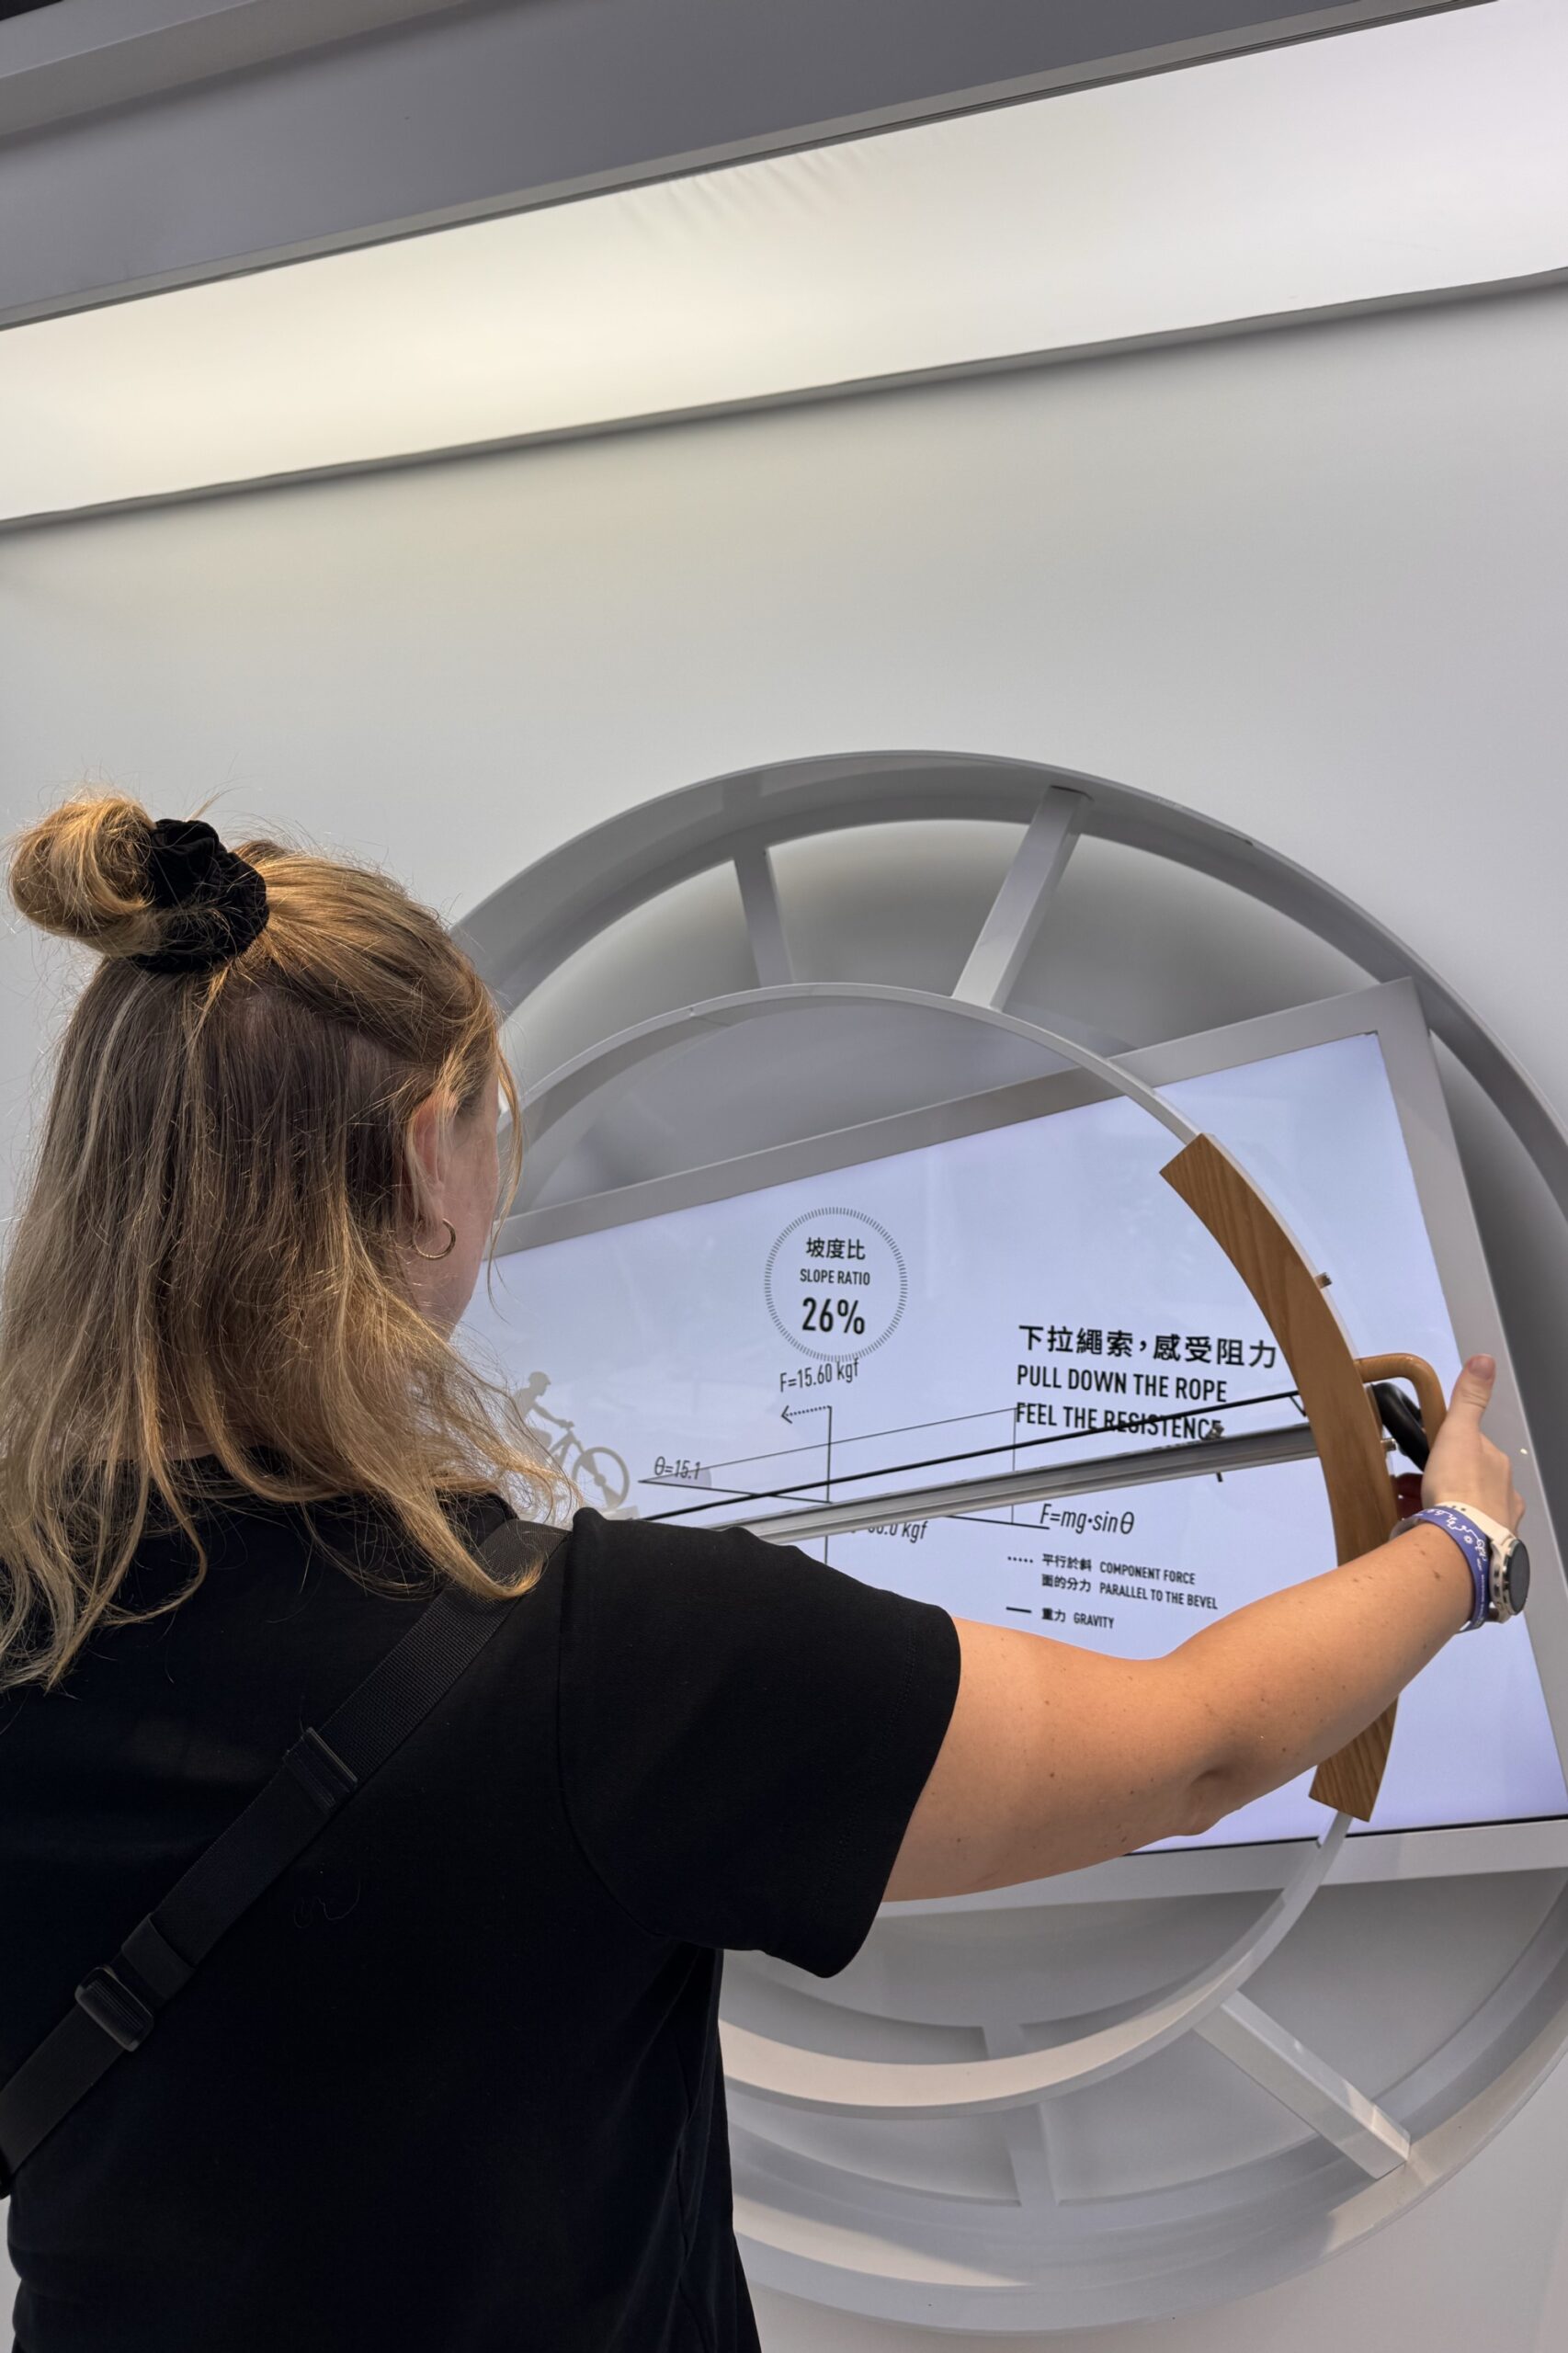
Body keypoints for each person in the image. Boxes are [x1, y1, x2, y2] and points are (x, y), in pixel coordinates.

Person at [0, 795, 1524, 2353]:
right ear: (420, 1158)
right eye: (488, 1126)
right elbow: (1193, 1747)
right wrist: (1459, 1549)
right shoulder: (604, 1656)